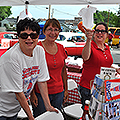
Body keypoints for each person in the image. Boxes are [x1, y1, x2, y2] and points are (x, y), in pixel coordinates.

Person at [0, 18, 58, 120]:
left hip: (14, 109)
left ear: (38, 37)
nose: (29, 38)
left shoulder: (39, 51)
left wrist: (48, 106)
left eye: (33, 35)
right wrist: (31, 117)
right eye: (24, 35)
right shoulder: (12, 58)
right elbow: (19, 93)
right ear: (18, 37)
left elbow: (42, 81)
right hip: (2, 109)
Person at [30, 18, 68, 118]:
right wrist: (32, 93)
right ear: (44, 31)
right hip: (40, 93)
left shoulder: (61, 47)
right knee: (41, 117)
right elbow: (32, 73)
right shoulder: (37, 47)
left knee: (55, 117)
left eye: (56, 30)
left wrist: (66, 89)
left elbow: (64, 71)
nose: (53, 32)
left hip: (59, 92)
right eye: (50, 29)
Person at [78, 22, 114, 110]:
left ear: (106, 34)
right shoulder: (90, 45)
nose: (100, 33)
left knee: (100, 112)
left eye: (103, 31)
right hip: (89, 88)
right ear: (94, 33)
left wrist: (115, 69)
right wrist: (88, 39)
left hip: (103, 88)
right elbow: (85, 57)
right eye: (97, 31)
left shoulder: (106, 47)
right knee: (89, 114)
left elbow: (106, 64)